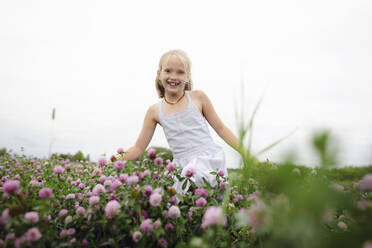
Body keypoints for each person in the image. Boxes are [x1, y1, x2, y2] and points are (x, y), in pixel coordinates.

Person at [111, 49, 254, 193]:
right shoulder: (154, 111)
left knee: (207, 194)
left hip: (208, 161)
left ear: (188, 76)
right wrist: (111, 161)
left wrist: (247, 155)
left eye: (180, 72)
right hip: (182, 167)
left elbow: (222, 129)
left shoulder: (198, 97)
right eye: (168, 71)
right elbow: (138, 149)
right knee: (180, 202)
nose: (174, 76)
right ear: (159, 74)